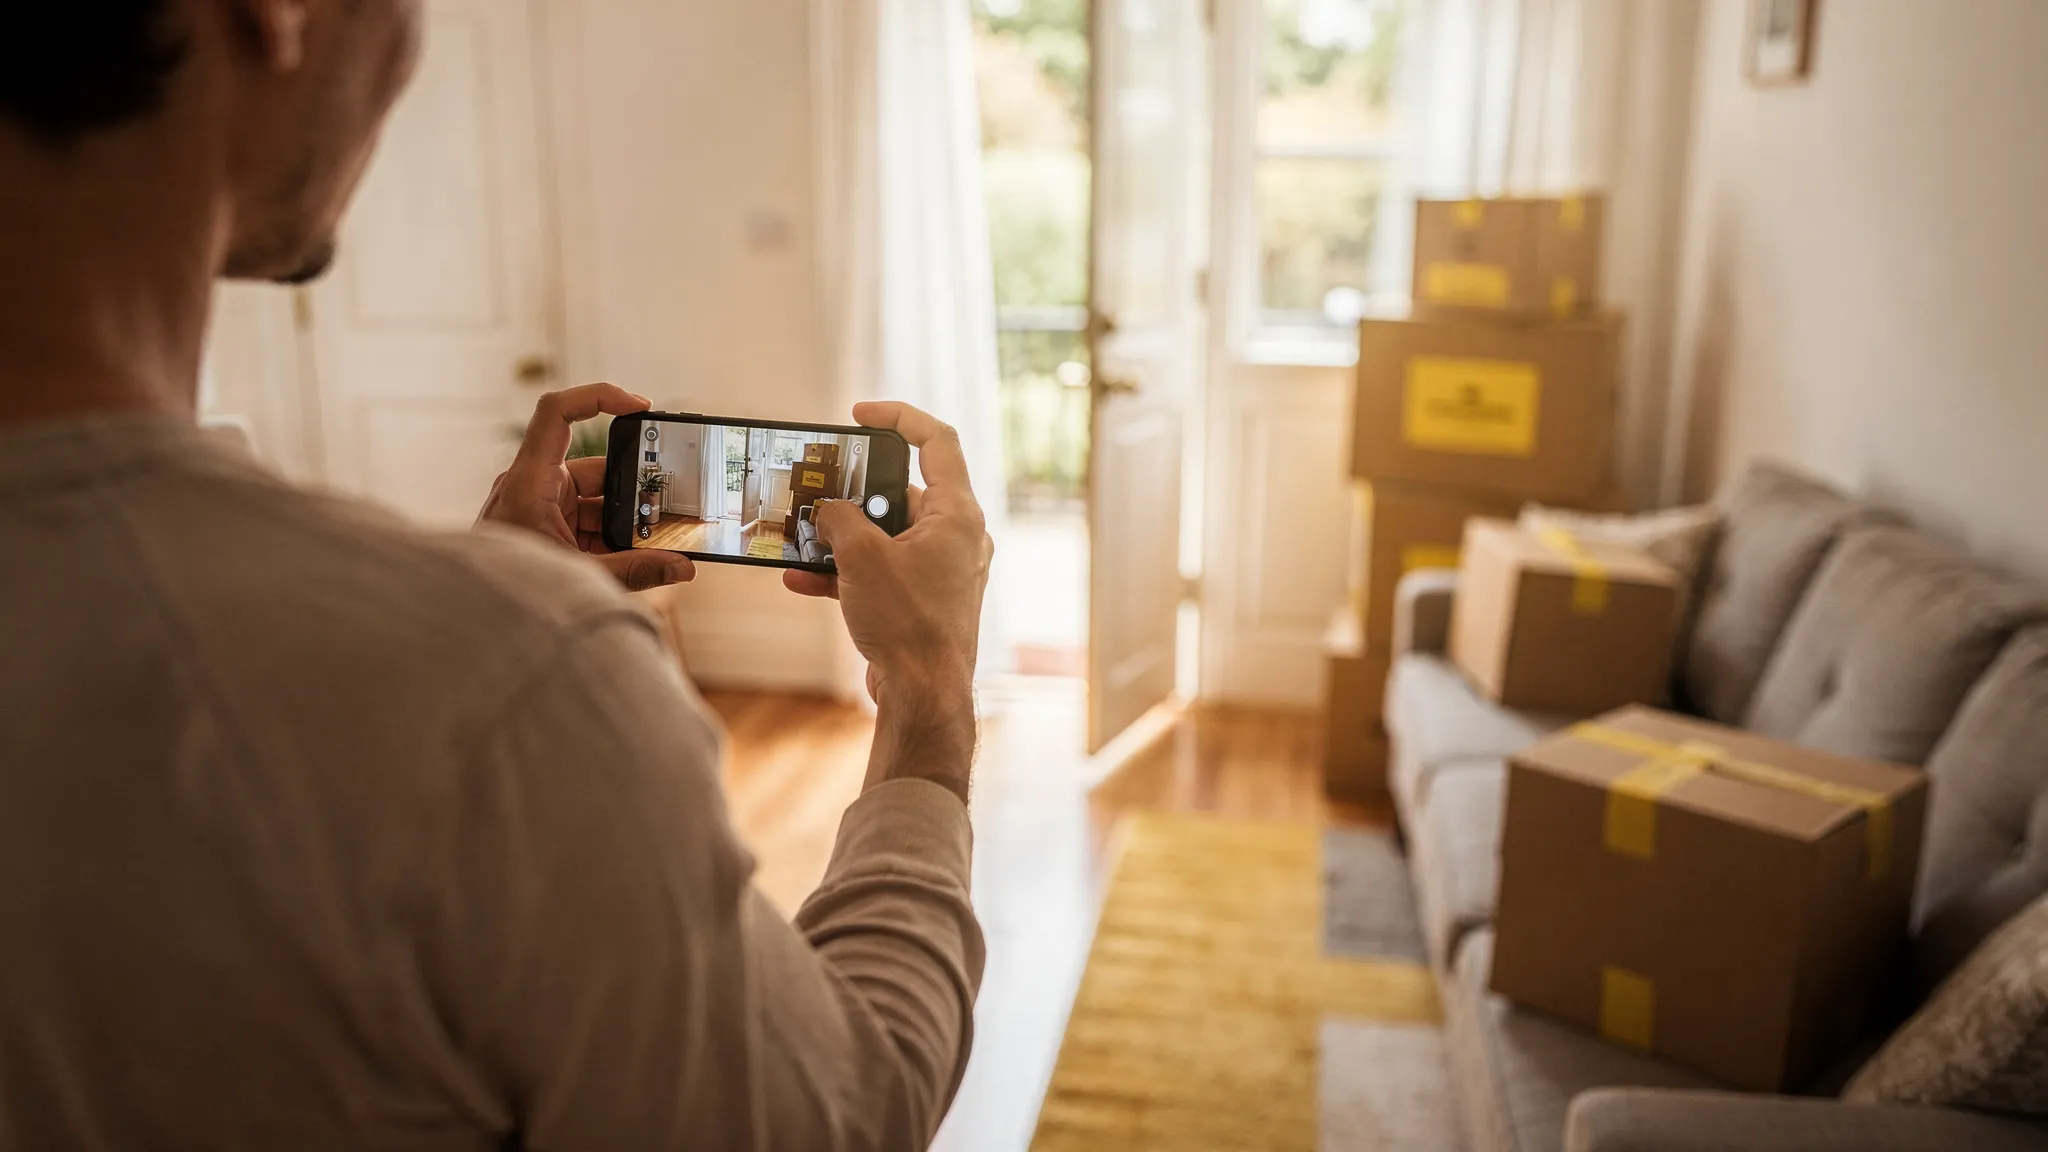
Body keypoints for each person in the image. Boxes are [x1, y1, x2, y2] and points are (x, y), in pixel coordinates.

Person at [0, 2, 992, 1149]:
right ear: (279, 14)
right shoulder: (506, 674)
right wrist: (928, 688)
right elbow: (845, 1121)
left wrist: (481, 623)